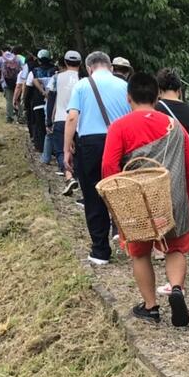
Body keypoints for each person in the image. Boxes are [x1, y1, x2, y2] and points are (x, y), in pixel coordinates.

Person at [102, 72, 189, 327]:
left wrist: (116, 205)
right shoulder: (175, 126)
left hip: (136, 202)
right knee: (175, 248)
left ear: (128, 97)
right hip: (172, 199)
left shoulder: (119, 127)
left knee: (140, 254)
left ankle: (151, 306)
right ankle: (176, 288)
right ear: (156, 97)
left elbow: (109, 168)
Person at [64, 51, 131, 265]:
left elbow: (72, 116)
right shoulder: (124, 86)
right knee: (120, 191)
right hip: (120, 142)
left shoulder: (83, 85)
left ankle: (100, 251)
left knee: (93, 196)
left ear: (89, 67)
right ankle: (131, 243)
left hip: (91, 144)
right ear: (110, 67)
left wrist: (67, 148)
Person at [51, 51, 82, 187]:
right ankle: (78, 177)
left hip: (60, 118)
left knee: (60, 149)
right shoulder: (84, 79)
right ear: (80, 63)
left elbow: (52, 98)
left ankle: (68, 176)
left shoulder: (57, 78)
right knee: (77, 151)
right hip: (79, 121)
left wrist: (49, 119)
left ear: (65, 62)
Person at [26, 50, 57, 153]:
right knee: (53, 125)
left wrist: (26, 102)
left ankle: (41, 147)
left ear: (38, 60)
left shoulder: (34, 72)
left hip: (38, 103)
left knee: (39, 125)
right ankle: (53, 148)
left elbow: (28, 88)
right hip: (54, 104)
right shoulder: (56, 71)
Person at [0, 44, 22, 123]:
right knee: (19, 99)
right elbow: (22, 71)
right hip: (17, 82)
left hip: (6, 83)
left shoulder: (0, 59)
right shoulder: (18, 58)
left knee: (9, 100)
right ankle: (21, 117)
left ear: (2, 51)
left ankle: (9, 117)